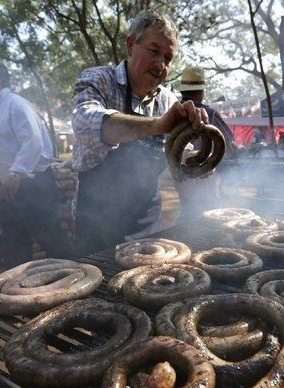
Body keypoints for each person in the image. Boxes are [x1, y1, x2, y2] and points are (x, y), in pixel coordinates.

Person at [71, 9, 208, 256]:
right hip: (95, 230)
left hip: (148, 232)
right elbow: (85, 123)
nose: (161, 65)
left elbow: (181, 161)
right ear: (131, 45)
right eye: (154, 51)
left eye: (168, 58)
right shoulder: (99, 79)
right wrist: (156, 125)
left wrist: (202, 162)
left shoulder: (167, 100)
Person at [0, 57, 72, 268]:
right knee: (14, 245)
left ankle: (75, 283)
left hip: (34, 186)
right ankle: (21, 292)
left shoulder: (16, 105)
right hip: (9, 189)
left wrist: (16, 173)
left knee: (52, 241)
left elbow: (33, 143)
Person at [173, 66, 235, 222]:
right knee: (209, 213)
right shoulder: (210, 114)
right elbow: (228, 145)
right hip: (205, 174)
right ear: (201, 92)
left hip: (180, 175)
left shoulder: (172, 115)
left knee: (188, 209)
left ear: (182, 91)